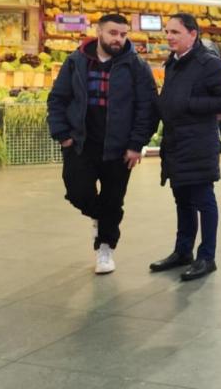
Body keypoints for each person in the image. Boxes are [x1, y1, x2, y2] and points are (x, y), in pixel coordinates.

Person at [46, 14, 159, 274]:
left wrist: (136, 144)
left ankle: (105, 248)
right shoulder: (76, 61)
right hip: (81, 143)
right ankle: (101, 217)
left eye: (122, 34)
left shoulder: (137, 66)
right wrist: (62, 134)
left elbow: (147, 108)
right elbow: (58, 99)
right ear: (99, 32)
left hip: (119, 148)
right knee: (78, 192)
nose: (118, 39)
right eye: (112, 33)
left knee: (113, 199)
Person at [149, 13, 221, 281]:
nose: (169, 37)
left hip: (198, 144)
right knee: (183, 201)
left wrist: (190, 104)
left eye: (175, 32)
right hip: (176, 143)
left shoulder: (207, 64)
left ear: (192, 34)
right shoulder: (173, 64)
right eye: (167, 32)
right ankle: (183, 251)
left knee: (203, 200)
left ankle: (207, 257)